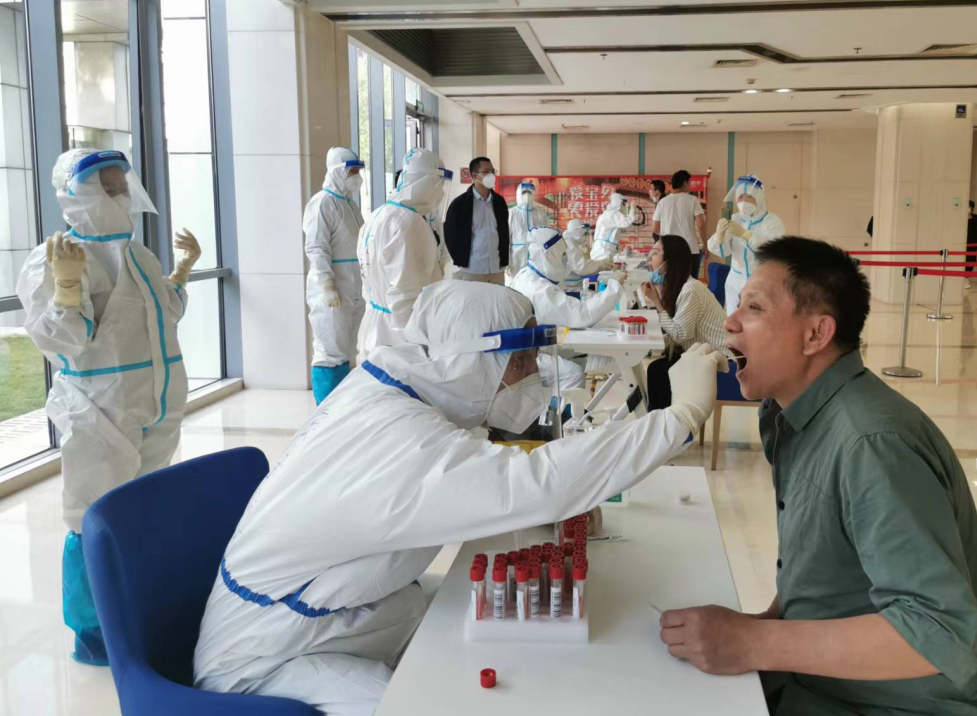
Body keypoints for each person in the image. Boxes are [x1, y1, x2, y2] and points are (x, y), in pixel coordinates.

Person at [193, 281, 724, 715]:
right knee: (433, 702)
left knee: (486, 626)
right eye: (520, 360)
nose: (532, 374)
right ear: (470, 359)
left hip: (335, 613)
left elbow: (498, 480)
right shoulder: (397, 437)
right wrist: (679, 418)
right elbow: (532, 483)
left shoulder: (390, 391)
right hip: (265, 659)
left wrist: (550, 501)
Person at [658, 237, 977, 716]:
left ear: (816, 335)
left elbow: (942, 633)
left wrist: (755, 642)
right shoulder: (794, 416)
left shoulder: (872, 444)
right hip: (818, 682)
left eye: (754, 307)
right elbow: (825, 569)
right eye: (738, 304)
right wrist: (760, 626)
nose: (730, 322)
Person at [16, 148, 200, 667]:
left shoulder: (139, 255)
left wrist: (182, 272)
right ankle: (97, 637)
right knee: (92, 520)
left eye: (122, 186)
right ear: (75, 195)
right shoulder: (54, 258)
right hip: (100, 411)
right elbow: (61, 342)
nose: (119, 196)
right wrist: (66, 287)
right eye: (108, 188)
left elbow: (162, 315)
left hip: (155, 405)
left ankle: (141, 611)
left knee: (142, 512)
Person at [357, 148, 448, 360]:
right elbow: (405, 292)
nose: (441, 192)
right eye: (438, 184)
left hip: (375, 322)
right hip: (399, 331)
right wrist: (414, 339)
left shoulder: (378, 215)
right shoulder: (408, 223)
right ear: (424, 182)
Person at [303, 147, 366, 404]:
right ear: (337, 172)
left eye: (358, 171)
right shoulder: (322, 203)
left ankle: (340, 407)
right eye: (351, 171)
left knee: (347, 350)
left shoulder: (349, 204)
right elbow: (316, 248)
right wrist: (327, 285)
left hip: (351, 288)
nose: (356, 176)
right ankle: (325, 411)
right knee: (330, 352)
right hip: (332, 292)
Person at [641, 235, 729, 410]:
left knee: (660, 372)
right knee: (657, 368)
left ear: (670, 261)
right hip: (700, 353)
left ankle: (669, 424)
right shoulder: (677, 288)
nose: (650, 258)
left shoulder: (690, 289)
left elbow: (680, 334)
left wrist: (657, 302)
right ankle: (661, 422)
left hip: (719, 358)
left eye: (656, 253)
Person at [510, 226, 626, 328]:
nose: (565, 259)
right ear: (549, 256)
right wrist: (614, 287)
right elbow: (583, 315)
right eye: (562, 254)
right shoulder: (541, 292)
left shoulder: (525, 274)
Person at [706, 174, 786, 315]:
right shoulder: (734, 219)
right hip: (735, 281)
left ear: (759, 198)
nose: (744, 202)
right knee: (734, 317)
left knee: (758, 319)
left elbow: (772, 250)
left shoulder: (772, 221)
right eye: (740, 197)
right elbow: (723, 252)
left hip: (762, 281)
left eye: (749, 197)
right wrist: (719, 236)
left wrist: (745, 234)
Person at [444, 156, 510, 284]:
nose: (491, 175)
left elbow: (504, 233)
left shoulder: (499, 202)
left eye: (492, 171)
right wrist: (461, 259)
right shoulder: (459, 204)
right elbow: (450, 235)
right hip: (472, 270)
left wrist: (504, 260)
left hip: (497, 269)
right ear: (474, 176)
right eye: (486, 171)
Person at [652, 170, 706, 277]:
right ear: (685, 183)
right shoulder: (692, 200)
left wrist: (667, 233)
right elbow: (701, 224)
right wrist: (705, 245)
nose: (690, 185)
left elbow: (655, 228)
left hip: (669, 249)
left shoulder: (662, 202)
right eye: (689, 182)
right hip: (690, 249)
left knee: (671, 282)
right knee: (691, 283)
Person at [507, 180, 551, 277]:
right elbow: (505, 238)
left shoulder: (540, 214)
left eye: (529, 192)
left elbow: (546, 236)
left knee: (534, 281)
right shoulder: (511, 213)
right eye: (524, 192)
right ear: (518, 194)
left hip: (536, 257)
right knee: (516, 282)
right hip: (516, 257)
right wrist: (506, 261)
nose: (527, 195)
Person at [561, 219, 612, 297]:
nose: (586, 237)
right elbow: (582, 268)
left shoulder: (570, 242)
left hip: (573, 285)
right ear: (576, 231)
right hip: (570, 290)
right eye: (584, 234)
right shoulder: (569, 244)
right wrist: (603, 263)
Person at [591, 192, 636, 261]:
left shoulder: (605, 214)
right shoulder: (613, 213)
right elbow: (627, 222)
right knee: (605, 266)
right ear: (620, 204)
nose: (624, 207)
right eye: (623, 205)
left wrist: (619, 230)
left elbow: (609, 228)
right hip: (604, 250)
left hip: (599, 248)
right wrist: (633, 208)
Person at [965, 200, 977, 285]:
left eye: (969, 206)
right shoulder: (961, 217)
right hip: (964, 243)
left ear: (972, 208)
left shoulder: (976, 217)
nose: (968, 208)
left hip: (973, 243)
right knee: (963, 260)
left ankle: (967, 277)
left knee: (971, 260)